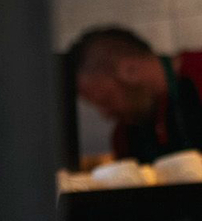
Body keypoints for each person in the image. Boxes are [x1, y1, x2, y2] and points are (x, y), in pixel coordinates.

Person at [69, 25, 202, 165]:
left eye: (106, 100)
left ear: (130, 70)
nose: (105, 114)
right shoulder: (123, 137)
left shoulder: (197, 72)